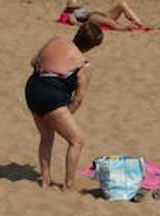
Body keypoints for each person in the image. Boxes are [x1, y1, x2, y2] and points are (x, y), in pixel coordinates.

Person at [26, 24, 104, 192]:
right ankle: (68, 185)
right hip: (51, 97)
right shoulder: (84, 64)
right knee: (77, 140)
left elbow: (33, 62)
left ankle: (45, 180)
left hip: (32, 89)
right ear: (93, 46)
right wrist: (62, 116)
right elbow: (78, 99)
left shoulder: (55, 40)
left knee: (46, 137)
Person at [62, 2, 151, 31]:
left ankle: (140, 24)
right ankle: (125, 28)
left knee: (122, 4)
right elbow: (74, 22)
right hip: (92, 17)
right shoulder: (71, 14)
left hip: (102, 14)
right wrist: (86, 25)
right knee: (109, 22)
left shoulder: (82, 8)